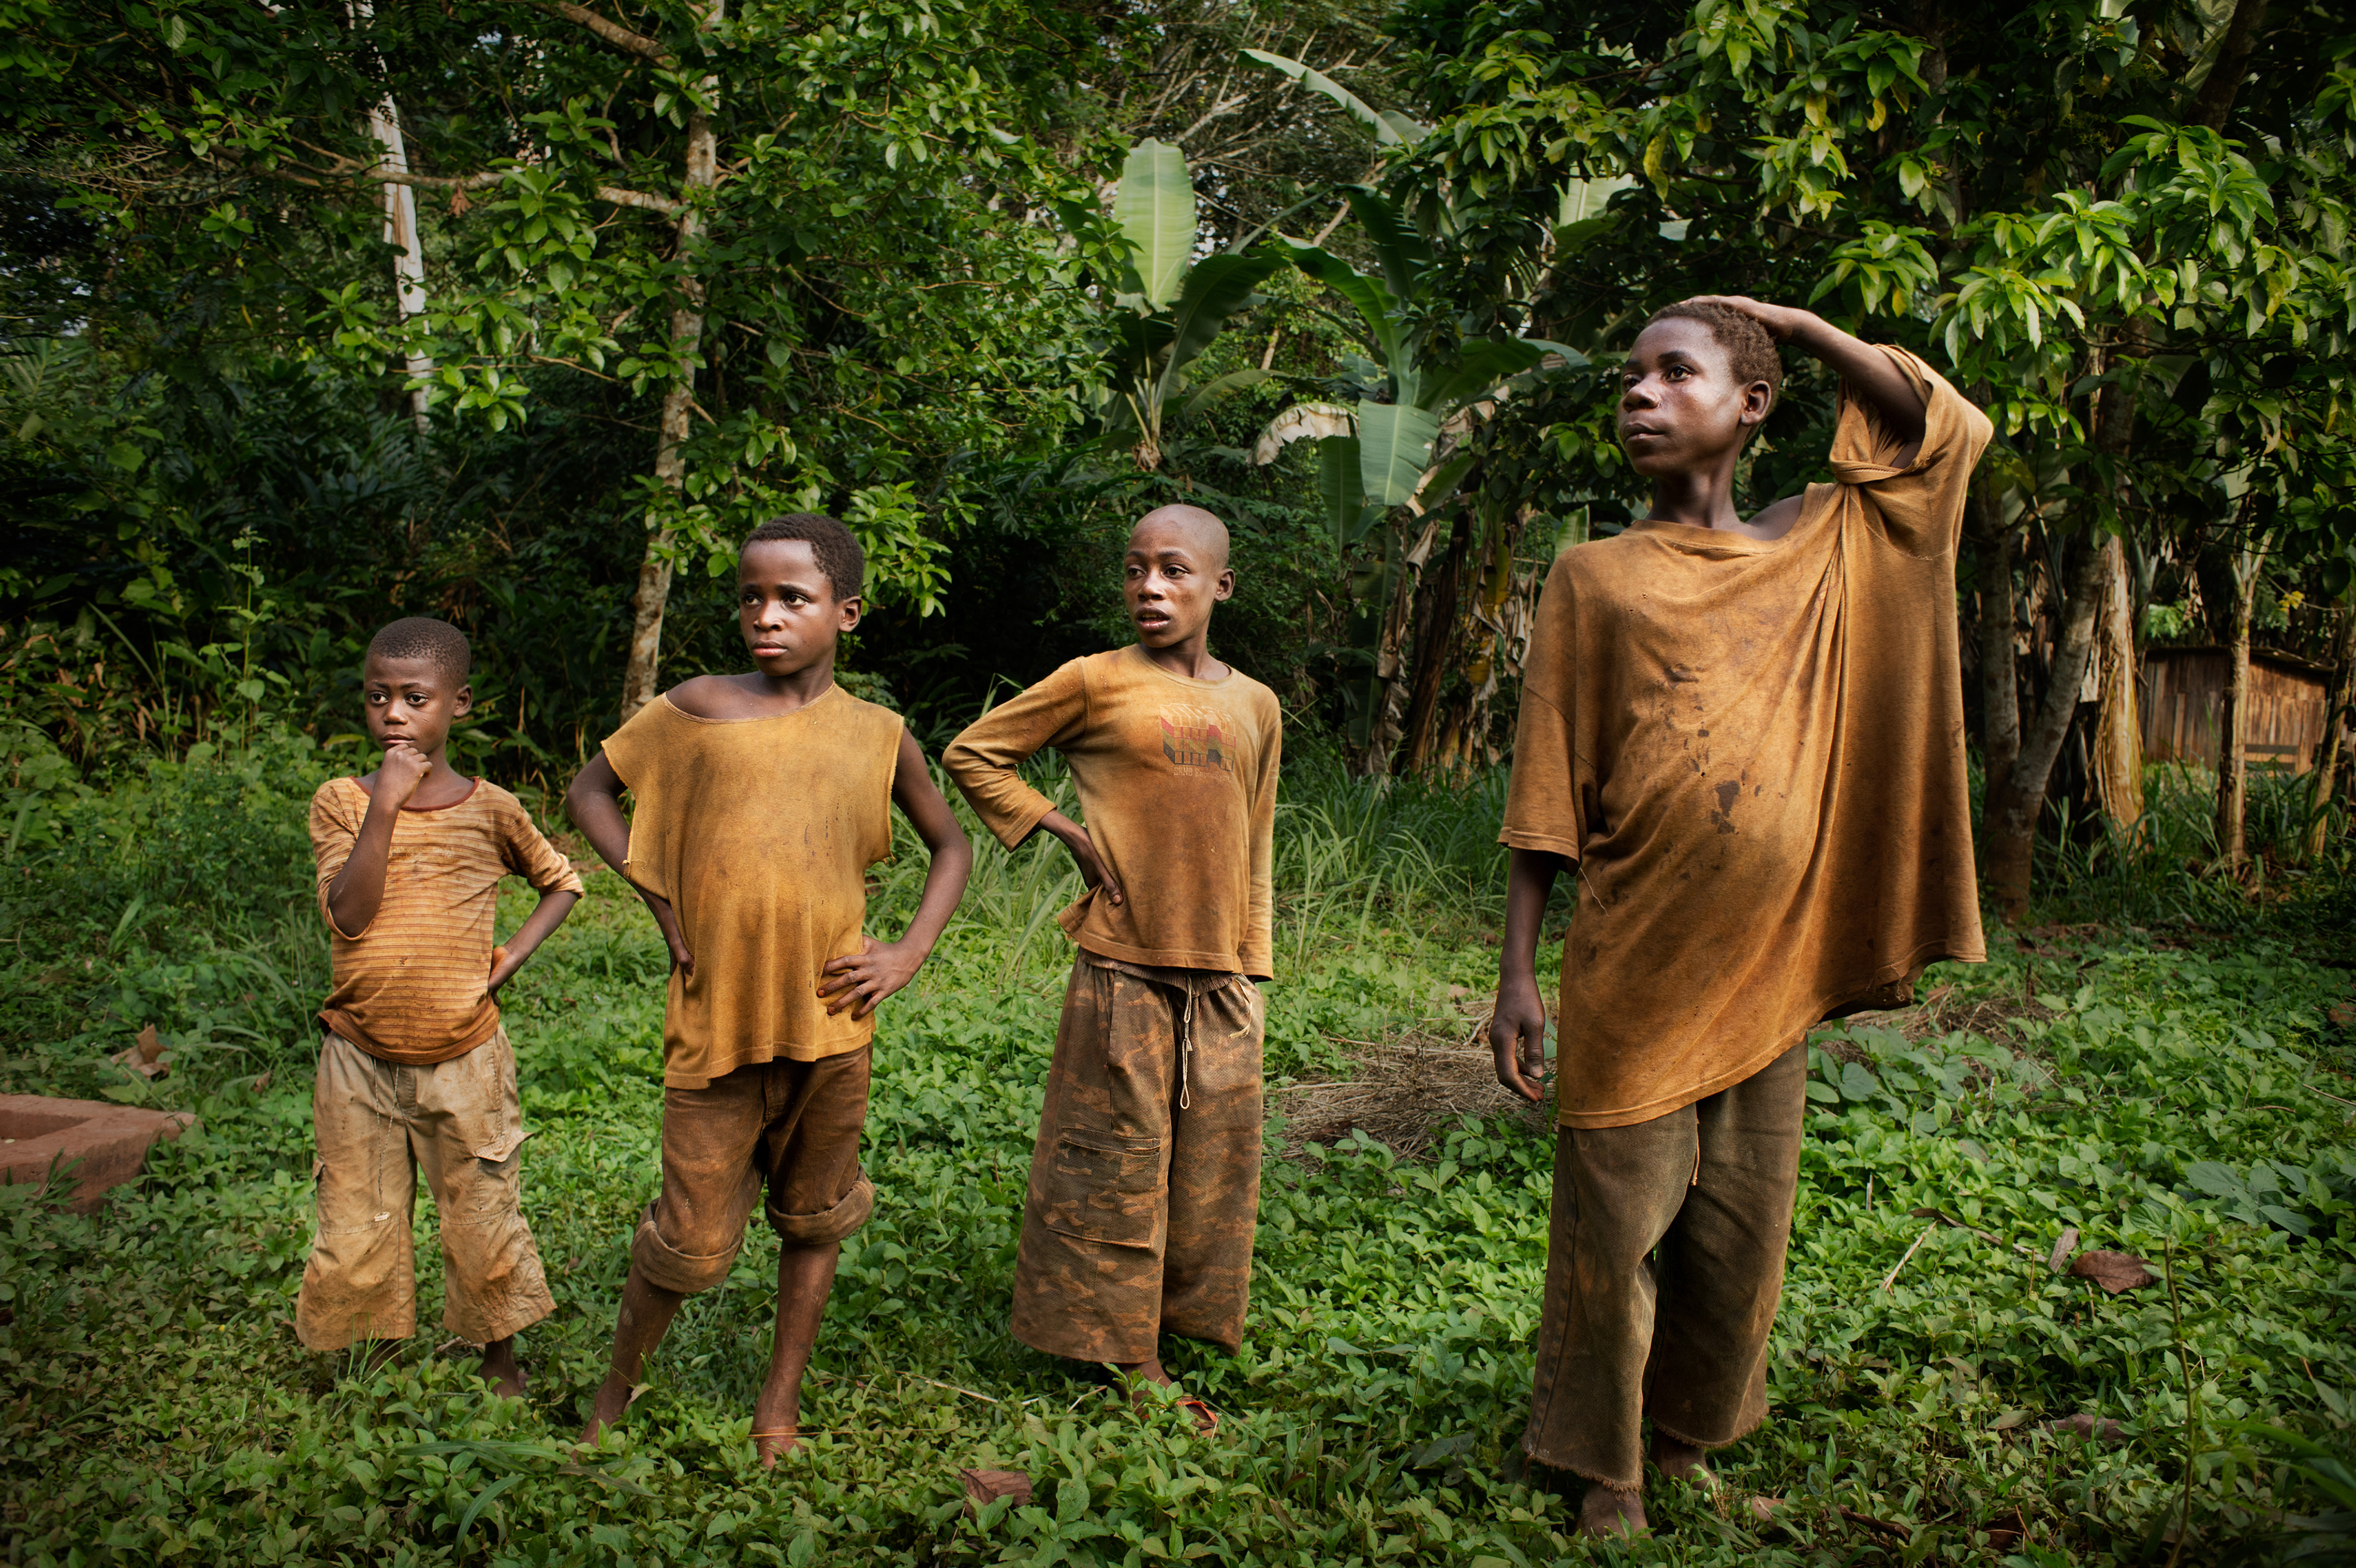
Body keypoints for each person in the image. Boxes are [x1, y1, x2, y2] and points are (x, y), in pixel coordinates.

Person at [1487, 298, 1993, 1536]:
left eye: (1677, 371)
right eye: (1631, 378)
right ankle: (1606, 1469)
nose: (1642, 396)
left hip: (1775, 956)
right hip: (1634, 951)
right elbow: (1547, 787)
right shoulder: (1592, 576)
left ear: (1752, 404)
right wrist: (1515, 974)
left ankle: (1688, 1436)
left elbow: (1945, 430)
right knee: (1617, 1220)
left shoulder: (1824, 542)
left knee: (1741, 1223)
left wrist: (1798, 326)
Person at [568, 512, 972, 1466]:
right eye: (752, 596)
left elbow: (950, 846)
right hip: (718, 1023)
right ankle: (609, 1405)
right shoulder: (695, 708)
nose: (767, 615)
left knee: (815, 1215)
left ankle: (777, 1409)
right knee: (687, 1240)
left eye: (793, 598)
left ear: (848, 612)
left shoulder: (879, 735)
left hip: (833, 1023)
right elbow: (592, 791)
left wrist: (906, 952)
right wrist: (655, 893)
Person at [942, 504, 1280, 1432]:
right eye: (1135, 572)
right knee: (1116, 1165)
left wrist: (1253, 964)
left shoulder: (1255, 703)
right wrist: (1057, 829)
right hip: (1123, 966)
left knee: (1210, 1165)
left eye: (1173, 572)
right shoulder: (1094, 682)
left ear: (1221, 586)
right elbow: (974, 754)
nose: (1149, 590)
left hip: (1220, 977)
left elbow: (1258, 835)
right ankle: (1126, 1355)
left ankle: (1179, 1324)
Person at [297, 616, 583, 1399]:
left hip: (465, 1056)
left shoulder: (492, 809)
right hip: (357, 1055)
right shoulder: (339, 803)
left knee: (481, 1213)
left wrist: (512, 956)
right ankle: (374, 1361)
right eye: (377, 697)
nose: (394, 714)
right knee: (358, 1216)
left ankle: (499, 1359)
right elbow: (349, 915)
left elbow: (561, 881)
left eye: (414, 698)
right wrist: (385, 806)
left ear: (457, 705)